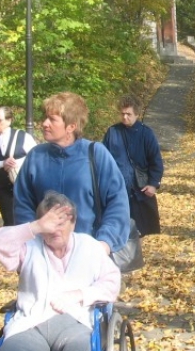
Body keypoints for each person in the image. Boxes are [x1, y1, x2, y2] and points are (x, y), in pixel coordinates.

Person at [0, 191, 121, 351]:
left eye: (60, 223)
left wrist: (79, 294)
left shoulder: (90, 247)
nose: (54, 229)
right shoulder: (28, 248)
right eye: (49, 224)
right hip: (31, 323)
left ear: (73, 223)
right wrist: (34, 227)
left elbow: (112, 284)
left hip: (76, 322)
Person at [14, 92, 130, 256]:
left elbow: (118, 203)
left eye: (52, 119)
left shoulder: (96, 154)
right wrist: (30, 244)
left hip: (88, 254)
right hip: (44, 256)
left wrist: (104, 243)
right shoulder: (35, 157)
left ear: (71, 126)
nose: (45, 123)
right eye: (45, 117)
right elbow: (22, 205)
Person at [102, 95, 164, 236]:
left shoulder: (146, 134)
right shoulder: (112, 133)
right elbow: (103, 160)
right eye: (122, 114)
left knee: (141, 230)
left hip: (139, 190)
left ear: (136, 114)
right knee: (119, 230)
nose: (125, 117)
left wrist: (153, 184)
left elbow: (156, 161)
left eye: (128, 114)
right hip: (117, 189)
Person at [0, 106, 37, 226]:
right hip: (1, 185)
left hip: (22, 184)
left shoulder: (23, 137)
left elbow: (35, 157)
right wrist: (1, 163)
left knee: (26, 217)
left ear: (9, 120)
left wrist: (17, 164)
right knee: (9, 220)